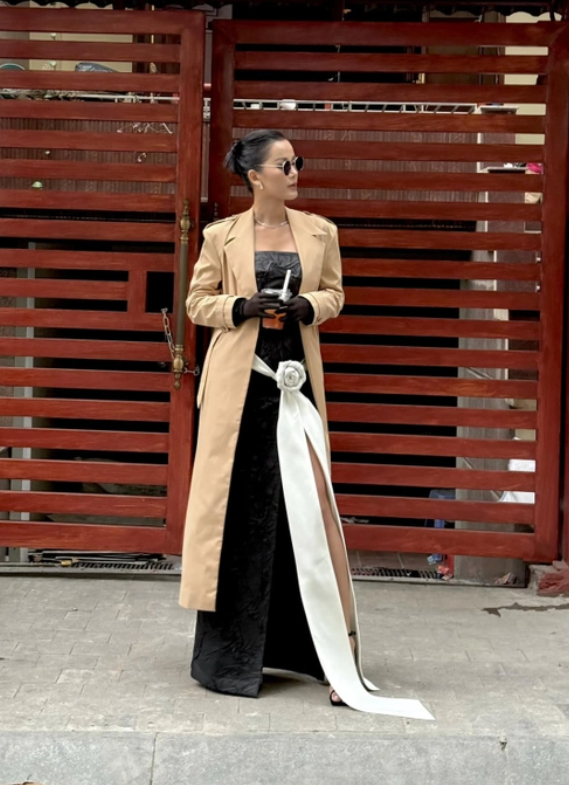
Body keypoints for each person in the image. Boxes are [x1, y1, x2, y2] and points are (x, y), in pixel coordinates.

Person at [178, 129, 432, 721]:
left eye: (297, 162)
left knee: (312, 511)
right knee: (239, 514)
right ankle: (230, 658)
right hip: (240, 393)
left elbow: (336, 294)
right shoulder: (221, 235)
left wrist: (308, 306)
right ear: (255, 176)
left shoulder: (320, 231)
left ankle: (332, 654)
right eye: (284, 164)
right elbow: (196, 302)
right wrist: (241, 307)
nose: (295, 172)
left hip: (297, 388)